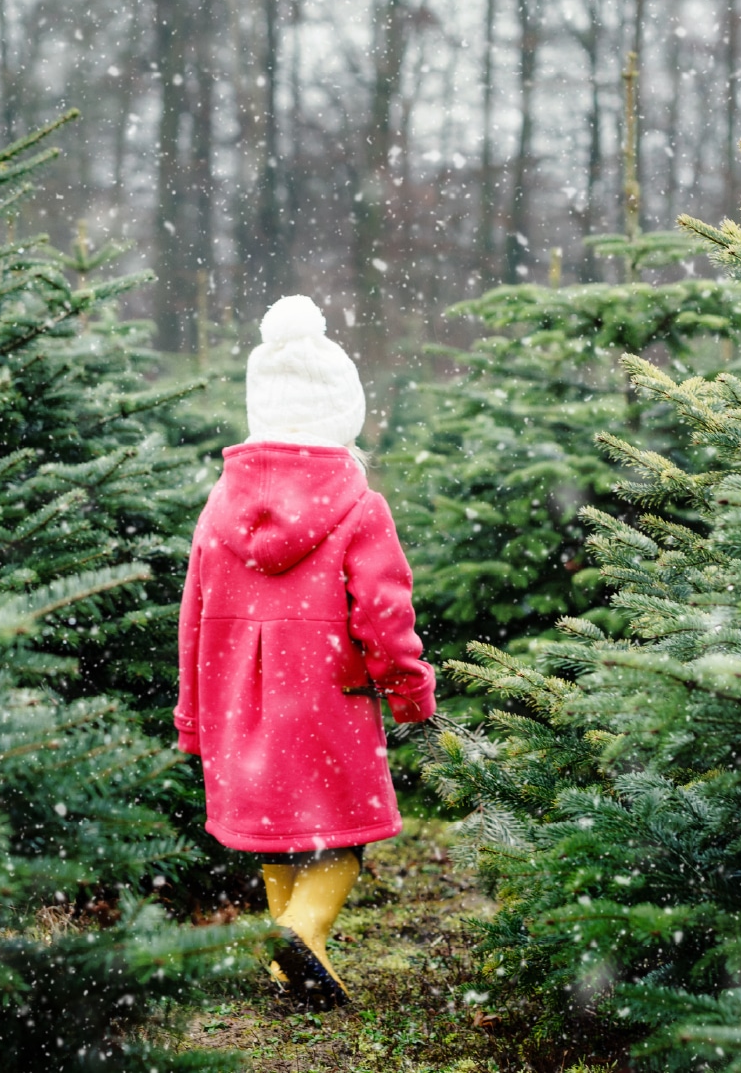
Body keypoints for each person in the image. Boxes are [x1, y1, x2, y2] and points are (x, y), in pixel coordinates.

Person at [174, 294, 436, 1007]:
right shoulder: (359, 504)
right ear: (340, 413)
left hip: (238, 702)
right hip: (327, 698)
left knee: (278, 836)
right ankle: (301, 931)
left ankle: (285, 949)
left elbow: (192, 619)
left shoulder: (218, 504)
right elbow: (385, 615)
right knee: (340, 839)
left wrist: (192, 717)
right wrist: (410, 691)